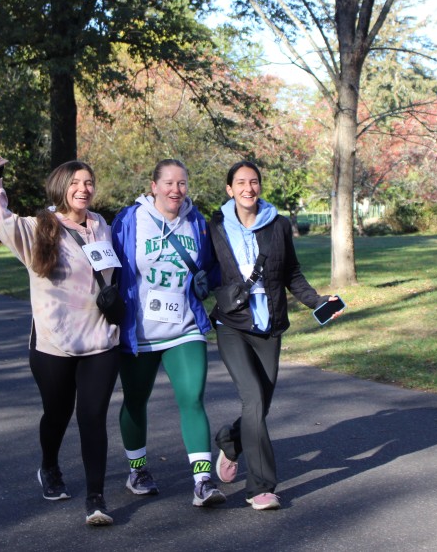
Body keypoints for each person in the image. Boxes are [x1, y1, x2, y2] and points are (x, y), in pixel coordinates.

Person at [0, 155, 120, 526]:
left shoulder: (101, 225)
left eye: (88, 182)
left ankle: (96, 499)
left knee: (93, 417)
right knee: (57, 413)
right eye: (75, 183)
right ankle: (50, 466)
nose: (83, 189)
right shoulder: (40, 227)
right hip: (54, 342)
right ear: (60, 187)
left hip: (101, 338)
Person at [209, 161, 344, 511]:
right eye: (240, 182)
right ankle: (260, 487)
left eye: (254, 181)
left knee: (261, 405)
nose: (248, 188)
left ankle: (230, 439)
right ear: (229, 189)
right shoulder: (215, 226)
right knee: (253, 398)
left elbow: (291, 273)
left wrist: (317, 301)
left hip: (269, 326)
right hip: (232, 325)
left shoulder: (278, 225)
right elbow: (205, 270)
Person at [111, 159, 226, 507]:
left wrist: (213, 287)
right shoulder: (130, 220)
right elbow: (110, 266)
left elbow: (212, 266)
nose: (176, 190)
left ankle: (202, 481)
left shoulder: (196, 222)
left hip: (184, 327)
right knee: (135, 401)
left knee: (192, 398)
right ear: (154, 186)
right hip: (140, 333)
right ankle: (137, 470)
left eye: (182, 183)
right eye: (169, 183)